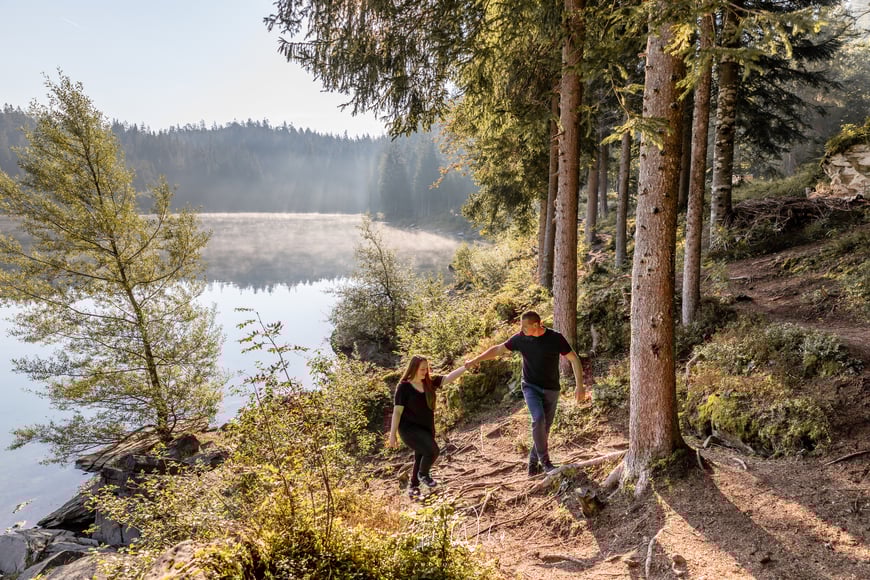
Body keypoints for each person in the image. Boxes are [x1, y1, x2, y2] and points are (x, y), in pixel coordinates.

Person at [465, 310, 589, 477]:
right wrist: (475, 360)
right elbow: (498, 350)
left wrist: (579, 386)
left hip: (552, 389)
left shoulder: (555, 338)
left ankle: (532, 463)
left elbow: (574, 359)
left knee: (544, 429)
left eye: (524, 326)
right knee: (538, 419)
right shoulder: (521, 339)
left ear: (536, 325)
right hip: (530, 386)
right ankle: (545, 463)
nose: (521, 329)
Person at [387, 355, 467, 498]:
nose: (425, 372)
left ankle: (414, 487)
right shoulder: (403, 387)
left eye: (426, 369)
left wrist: (466, 367)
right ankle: (423, 475)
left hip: (427, 428)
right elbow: (397, 412)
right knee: (432, 451)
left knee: (421, 456)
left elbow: (448, 378)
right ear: (413, 369)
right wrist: (392, 435)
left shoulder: (429, 382)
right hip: (409, 430)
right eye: (422, 369)